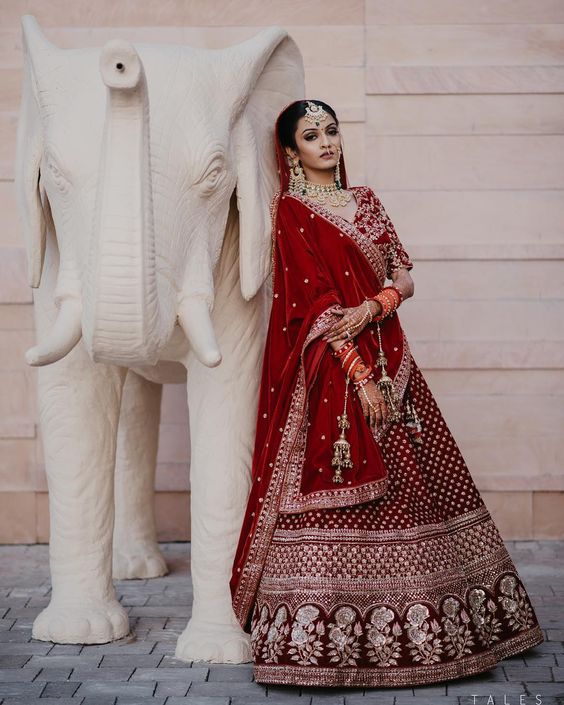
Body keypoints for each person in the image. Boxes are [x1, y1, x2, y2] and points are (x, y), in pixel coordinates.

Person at [229, 99, 543, 687]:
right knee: (342, 488)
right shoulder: (293, 212)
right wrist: (358, 374)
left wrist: (378, 303)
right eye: (311, 135)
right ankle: (325, 642)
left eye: (331, 131)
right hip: (338, 377)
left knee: (422, 486)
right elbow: (311, 305)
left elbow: (404, 276)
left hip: (392, 356)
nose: (326, 142)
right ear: (292, 152)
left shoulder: (367, 201)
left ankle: (430, 632)